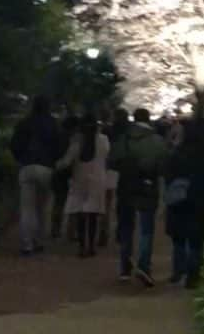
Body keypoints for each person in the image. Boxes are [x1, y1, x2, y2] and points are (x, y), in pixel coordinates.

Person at [109, 107, 168, 287]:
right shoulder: (157, 141)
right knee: (146, 229)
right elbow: (164, 165)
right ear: (149, 119)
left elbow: (112, 161)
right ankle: (143, 265)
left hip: (126, 186)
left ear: (134, 119)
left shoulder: (124, 138)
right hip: (148, 187)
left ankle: (125, 267)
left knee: (126, 226)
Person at [164, 118, 204, 288]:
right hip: (201, 202)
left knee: (179, 240)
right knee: (196, 241)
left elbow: (168, 176)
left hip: (179, 202)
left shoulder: (177, 153)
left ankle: (178, 271)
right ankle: (193, 276)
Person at [10, 95, 61, 256]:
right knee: (42, 208)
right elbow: (60, 145)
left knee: (27, 209)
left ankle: (27, 244)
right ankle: (39, 241)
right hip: (46, 168)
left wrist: (20, 159)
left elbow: (14, 144)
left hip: (27, 166)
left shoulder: (24, 123)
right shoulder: (53, 124)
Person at [57, 113, 110, 257]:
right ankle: (92, 246)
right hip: (98, 179)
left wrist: (56, 165)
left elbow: (66, 162)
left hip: (79, 179)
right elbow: (106, 155)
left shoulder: (76, 143)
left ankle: (81, 246)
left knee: (80, 213)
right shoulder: (104, 140)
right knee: (93, 214)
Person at [100, 107, 129, 247]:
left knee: (106, 203)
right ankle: (120, 232)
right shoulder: (129, 133)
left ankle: (103, 233)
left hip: (109, 168)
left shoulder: (107, 131)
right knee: (123, 204)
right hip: (124, 170)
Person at [51, 115, 80, 239]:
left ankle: (55, 230)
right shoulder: (76, 140)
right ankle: (71, 231)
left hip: (59, 173)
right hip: (74, 173)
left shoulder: (57, 137)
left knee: (59, 202)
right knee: (74, 203)